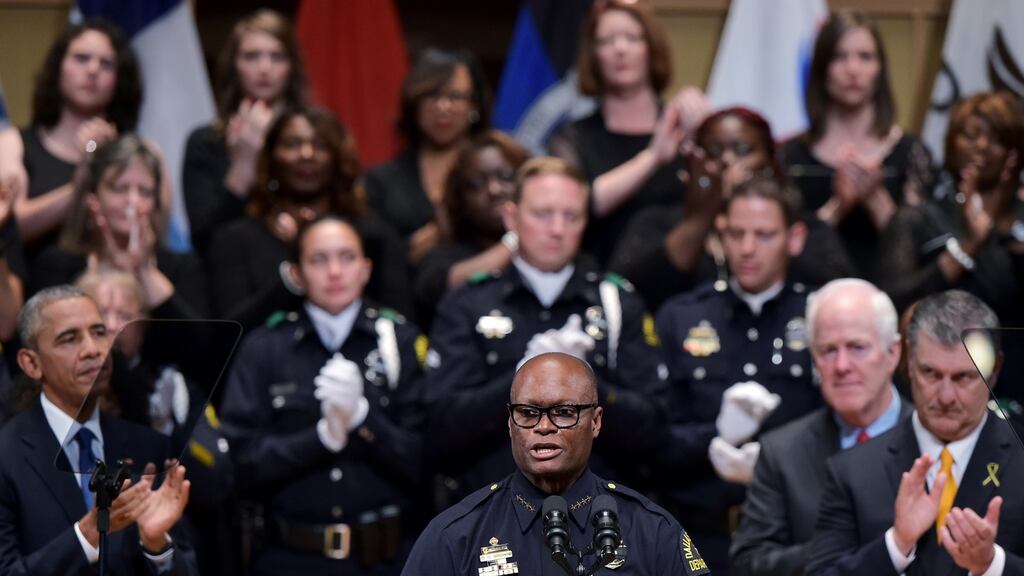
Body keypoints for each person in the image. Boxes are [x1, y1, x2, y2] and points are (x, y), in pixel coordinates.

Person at [425, 156, 668, 507]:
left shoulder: (616, 302)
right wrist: (521, 377)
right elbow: (440, 430)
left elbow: (655, 432)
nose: (557, 229)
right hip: (492, 518)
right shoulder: (468, 302)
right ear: (511, 217)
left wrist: (589, 380)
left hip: (597, 520)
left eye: (571, 216)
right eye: (542, 214)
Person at [219, 215, 426, 575]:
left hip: (389, 558)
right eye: (318, 260)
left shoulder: (401, 341)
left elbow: (426, 458)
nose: (334, 272)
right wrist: (318, 439)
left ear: (365, 269)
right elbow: (239, 463)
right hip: (292, 556)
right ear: (296, 274)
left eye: (347, 258)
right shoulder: (264, 348)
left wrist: (364, 419)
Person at [403, 352, 711, 575]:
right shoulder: (455, 535)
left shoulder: (652, 530)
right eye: (528, 412)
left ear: (596, 422)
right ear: (510, 424)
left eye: (564, 412)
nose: (544, 427)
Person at [654, 176, 820, 574]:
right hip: (695, 535)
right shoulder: (681, 316)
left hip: (792, 535)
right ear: (720, 236)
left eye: (764, 235)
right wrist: (717, 436)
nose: (747, 249)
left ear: (794, 239)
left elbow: (843, 434)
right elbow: (653, 445)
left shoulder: (820, 317)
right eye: (736, 233)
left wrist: (779, 463)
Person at [807, 290, 1024, 575]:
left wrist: (991, 565)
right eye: (931, 374)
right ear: (908, 365)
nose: (946, 396)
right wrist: (895, 545)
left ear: (994, 371)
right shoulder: (852, 471)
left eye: (964, 377)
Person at [0, 285, 196, 575]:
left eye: (99, 332)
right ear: (32, 363)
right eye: (69, 339)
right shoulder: (6, 455)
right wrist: (88, 535)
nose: (93, 350)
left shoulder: (149, 447)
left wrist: (156, 545)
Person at [730, 278, 911, 576]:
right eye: (828, 350)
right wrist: (840, 548)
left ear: (892, 353)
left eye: (857, 347)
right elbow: (749, 564)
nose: (841, 366)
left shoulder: (933, 437)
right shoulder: (783, 452)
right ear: (814, 359)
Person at [609, 107, 855, 312]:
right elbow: (624, 294)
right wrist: (700, 219)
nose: (727, 160)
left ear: (771, 161)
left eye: (743, 150)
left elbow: (839, 294)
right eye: (714, 152)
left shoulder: (806, 228)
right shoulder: (656, 221)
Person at [206, 106, 412, 321]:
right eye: (292, 144)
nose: (307, 154)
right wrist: (292, 274)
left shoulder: (373, 236)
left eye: (320, 145)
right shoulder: (234, 239)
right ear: (271, 157)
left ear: (337, 158)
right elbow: (228, 337)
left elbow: (400, 322)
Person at [549, 0, 708, 267]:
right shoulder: (574, 137)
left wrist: (705, 132)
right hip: (599, 282)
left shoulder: (684, 126)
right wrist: (653, 157)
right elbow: (578, 204)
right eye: (606, 41)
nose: (620, 49)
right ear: (593, 55)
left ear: (651, 47)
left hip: (679, 285)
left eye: (632, 38)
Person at [781, 9, 934, 278]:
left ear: (880, 69)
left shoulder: (911, 152)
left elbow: (925, 257)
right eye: (839, 57)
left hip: (890, 300)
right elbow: (782, 251)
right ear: (821, 68)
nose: (853, 69)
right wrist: (839, 205)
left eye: (865, 57)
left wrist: (874, 198)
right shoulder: (789, 155)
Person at [877, 91, 1024, 327]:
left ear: (1014, 153)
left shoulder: (1018, 225)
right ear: (952, 142)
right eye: (971, 135)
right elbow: (890, 304)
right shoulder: (917, 219)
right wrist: (968, 247)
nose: (982, 146)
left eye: (997, 139)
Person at [31, 135, 208, 319]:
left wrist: (144, 272)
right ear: (94, 198)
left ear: (155, 204)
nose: (133, 202)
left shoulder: (182, 267)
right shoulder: (56, 265)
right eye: (119, 188)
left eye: (145, 192)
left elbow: (203, 344)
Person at [183, 9, 310, 255]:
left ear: (291, 66)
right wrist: (243, 167)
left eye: (277, 56)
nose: (264, 68)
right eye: (251, 56)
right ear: (235, 65)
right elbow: (204, 240)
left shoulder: (313, 138)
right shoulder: (206, 141)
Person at [18, 19, 143, 268]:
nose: (93, 70)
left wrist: (107, 157)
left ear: (120, 79)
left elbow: (152, 232)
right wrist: (86, 172)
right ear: (59, 67)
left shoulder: (142, 154)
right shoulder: (16, 144)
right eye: (81, 58)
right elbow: (13, 228)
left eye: (106, 63)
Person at [365, 48, 489, 265]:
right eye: (432, 95)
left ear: (474, 105)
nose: (443, 107)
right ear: (414, 103)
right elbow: (371, 258)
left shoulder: (496, 173)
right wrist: (425, 241)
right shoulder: (380, 181)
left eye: (455, 96)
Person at [413, 129, 529, 330]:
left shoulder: (557, 250)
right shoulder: (441, 256)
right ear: (460, 197)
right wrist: (519, 237)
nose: (494, 190)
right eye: (477, 183)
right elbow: (452, 284)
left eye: (506, 177)